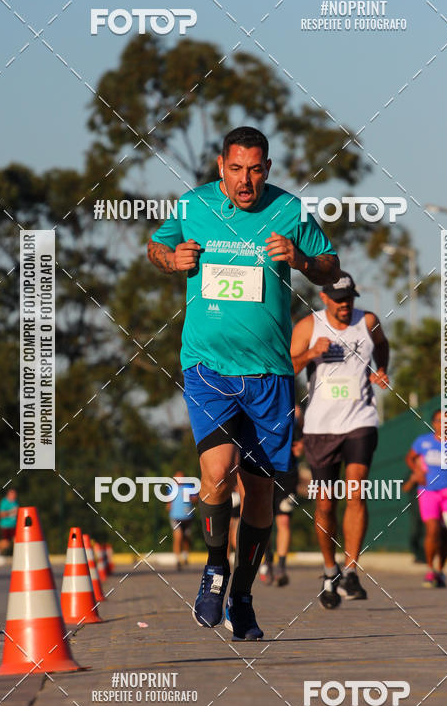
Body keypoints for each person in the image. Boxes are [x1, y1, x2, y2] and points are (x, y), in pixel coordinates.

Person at [148, 125, 340, 640]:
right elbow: (157, 246)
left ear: (267, 169)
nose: (245, 180)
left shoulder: (289, 211)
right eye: (236, 169)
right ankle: (215, 569)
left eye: (255, 170)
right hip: (208, 368)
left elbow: (330, 267)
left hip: (270, 373)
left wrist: (300, 260)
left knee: (259, 493)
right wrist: (172, 259)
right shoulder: (193, 206)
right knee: (216, 472)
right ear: (221, 166)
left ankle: (243, 597)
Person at [291, 273, 389, 609]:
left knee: (356, 489)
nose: (345, 305)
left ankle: (350, 571)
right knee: (325, 503)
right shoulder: (308, 326)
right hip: (321, 426)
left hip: (360, 420)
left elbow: (382, 345)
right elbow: (287, 367)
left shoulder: (368, 321)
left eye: (349, 299)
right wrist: (311, 354)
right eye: (339, 300)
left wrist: (381, 369)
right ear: (324, 298)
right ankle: (329, 569)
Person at [406, 410, 447, 588]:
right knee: (432, 529)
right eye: (440, 420)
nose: (444, 424)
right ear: (434, 423)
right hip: (428, 491)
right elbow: (410, 458)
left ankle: (441, 570)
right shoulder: (423, 441)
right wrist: (417, 471)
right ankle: (430, 569)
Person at [259, 403, 304, 587]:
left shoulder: (293, 412)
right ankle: (266, 560)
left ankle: (282, 566)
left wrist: (301, 444)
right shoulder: (259, 407)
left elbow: (301, 441)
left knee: (283, 520)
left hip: (287, 475)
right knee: (263, 521)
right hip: (263, 472)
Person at [168, 471, 197, 570]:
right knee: (178, 536)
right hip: (175, 517)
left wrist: (191, 498)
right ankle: (177, 559)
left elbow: (196, 499)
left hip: (188, 517)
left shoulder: (189, 487)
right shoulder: (171, 488)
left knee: (186, 537)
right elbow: (169, 502)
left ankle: (185, 555)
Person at [0, 488, 19, 559]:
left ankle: (18, 556)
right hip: (5, 526)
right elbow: (1, 514)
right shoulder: (4, 502)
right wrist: (11, 512)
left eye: (15, 494)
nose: (14, 496)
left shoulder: (15, 502)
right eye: (12, 494)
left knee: (16, 540)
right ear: (8, 495)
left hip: (14, 525)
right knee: (6, 543)